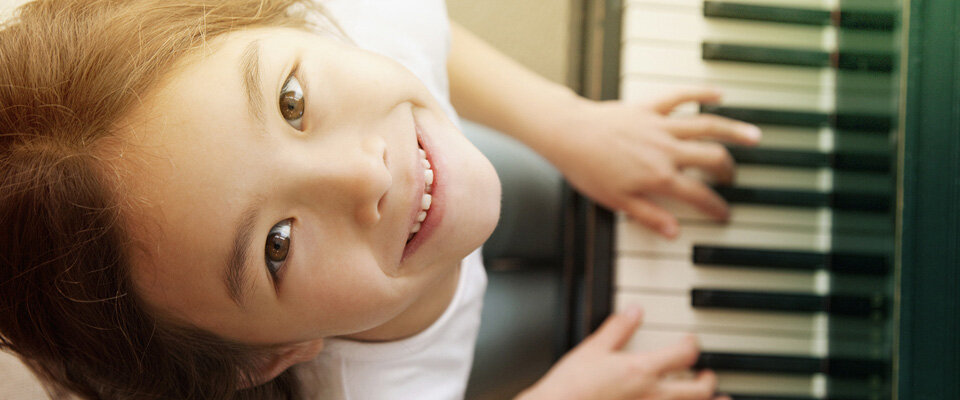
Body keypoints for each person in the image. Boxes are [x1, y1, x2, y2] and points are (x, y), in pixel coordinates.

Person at [0, 0, 760, 399]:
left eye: (292, 103)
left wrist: (568, 122)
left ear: (291, 15)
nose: (365, 177)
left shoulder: (352, 23)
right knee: (554, 326)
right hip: (404, 334)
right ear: (267, 358)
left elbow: (422, 31)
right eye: (277, 245)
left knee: (546, 193)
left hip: (419, 208)